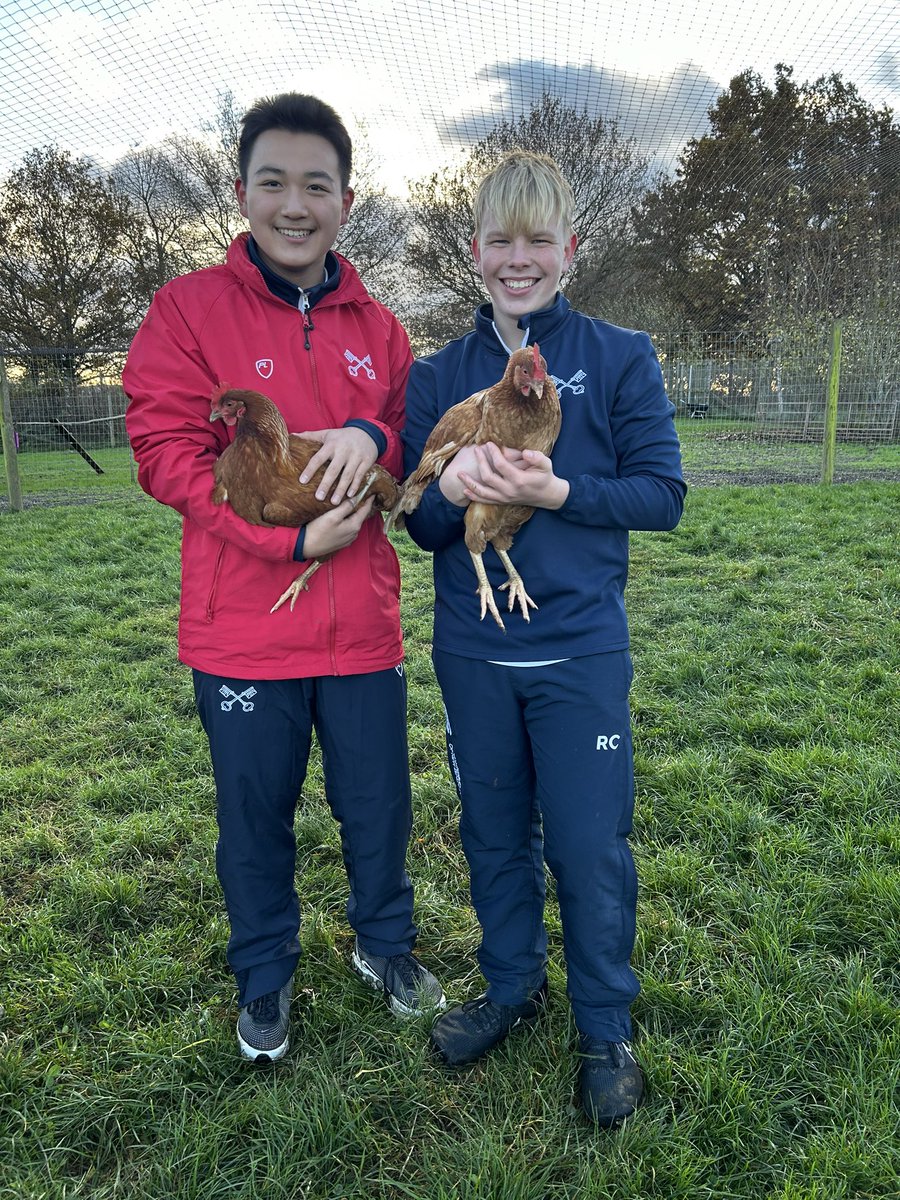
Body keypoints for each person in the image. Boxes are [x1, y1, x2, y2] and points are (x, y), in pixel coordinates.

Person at [123, 92, 444, 1063]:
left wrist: (372, 433)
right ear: (241, 193)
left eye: (316, 185)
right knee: (254, 814)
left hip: (360, 625)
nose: (294, 205)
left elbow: (407, 430)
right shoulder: (188, 311)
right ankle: (264, 972)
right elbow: (165, 453)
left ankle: (384, 943)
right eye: (274, 182)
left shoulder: (380, 329)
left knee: (378, 805)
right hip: (244, 631)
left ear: (346, 201)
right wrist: (288, 546)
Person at [401, 151, 685, 1125]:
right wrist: (448, 491)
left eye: (538, 240)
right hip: (475, 652)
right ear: (475, 250)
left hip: (579, 652)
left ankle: (605, 1025)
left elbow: (663, 495)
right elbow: (421, 528)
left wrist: (559, 490)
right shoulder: (440, 374)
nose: (518, 259)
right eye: (499, 240)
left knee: (587, 841)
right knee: (492, 833)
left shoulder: (621, 356)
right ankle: (513, 987)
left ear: (571, 247)